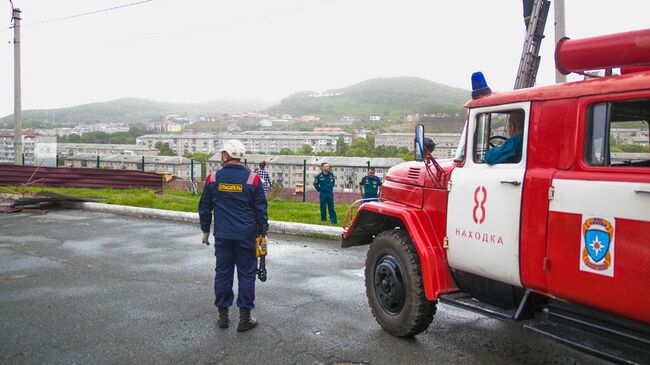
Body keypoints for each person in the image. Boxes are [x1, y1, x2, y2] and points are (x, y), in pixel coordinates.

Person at [198, 139, 268, 332]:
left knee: (223, 273)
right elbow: (261, 211)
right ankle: (244, 319)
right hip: (247, 236)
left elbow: (205, 207)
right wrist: (263, 235)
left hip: (223, 236)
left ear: (225, 156)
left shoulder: (213, 178)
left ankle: (223, 317)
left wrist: (205, 230)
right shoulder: (253, 180)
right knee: (246, 275)